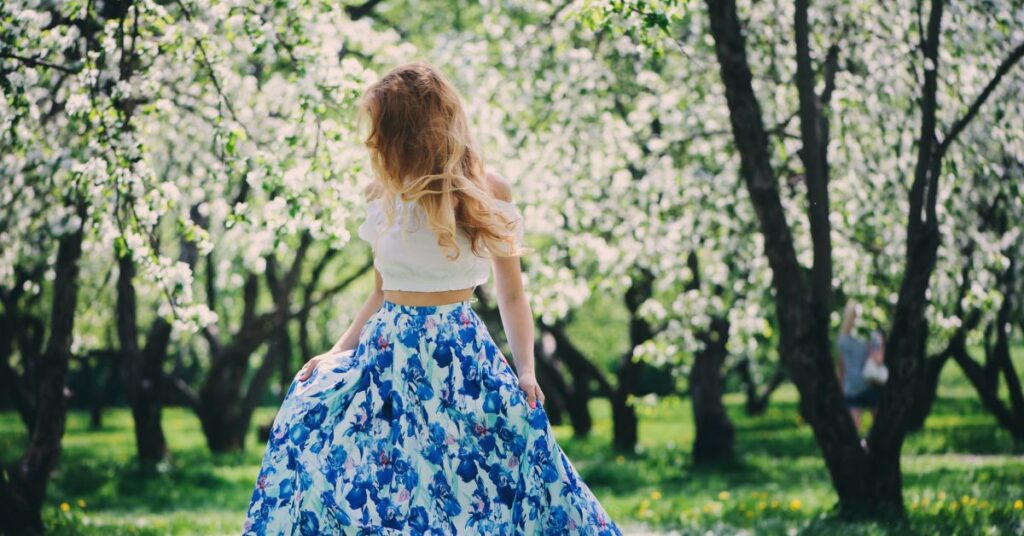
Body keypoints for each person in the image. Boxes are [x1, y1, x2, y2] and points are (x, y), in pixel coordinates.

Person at [242, 61, 621, 535]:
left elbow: (512, 293)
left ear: (413, 129)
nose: (372, 140)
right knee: (330, 441)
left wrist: (525, 370)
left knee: (469, 481)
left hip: (456, 354)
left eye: (382, 127)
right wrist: (339, 351)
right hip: (387, 354)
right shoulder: (380, 192)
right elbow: (380, 292)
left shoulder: (486, 189)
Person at [836, 302, 884, 437]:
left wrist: (840, 388)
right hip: (869, 384)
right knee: (879, 426)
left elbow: (840, 367)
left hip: (851, 386)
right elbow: (879, 360)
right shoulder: (873, 336)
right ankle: (872, 449)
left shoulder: (842, 340)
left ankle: (860, 451)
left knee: (853, 431)